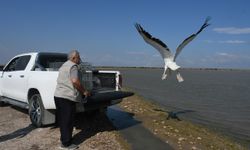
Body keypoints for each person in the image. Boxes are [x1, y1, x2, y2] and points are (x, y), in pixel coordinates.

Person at [54, 50, 90, 150]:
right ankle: (66, 144)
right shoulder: (73, 66)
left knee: (63, 120)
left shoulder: (64, 65)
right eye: (78, 57)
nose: (80, 59)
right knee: (68, 121)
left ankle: (64, 139)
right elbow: (75, 81)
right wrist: (84, 92)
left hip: (58, 95)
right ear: (74, 58)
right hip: (67, 97)